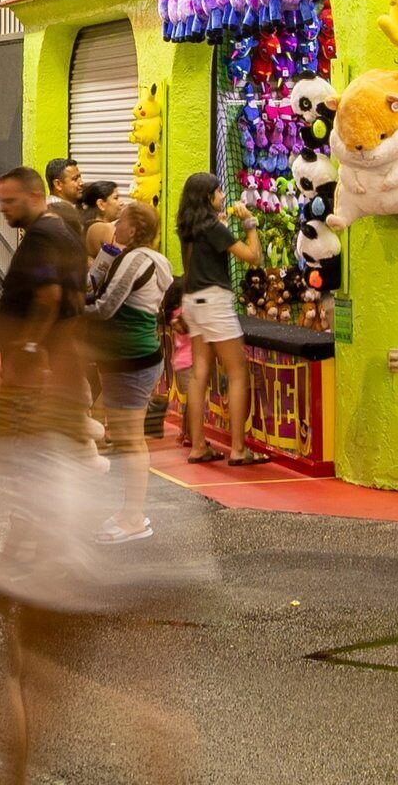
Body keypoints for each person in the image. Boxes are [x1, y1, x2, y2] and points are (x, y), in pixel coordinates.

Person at [83, 199, 174, 542]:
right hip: (129, 358)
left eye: (120, 221)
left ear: (134, 230)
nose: (115, 225)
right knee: (127, 439)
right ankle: (129, 512)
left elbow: (105, 307)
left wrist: (69, 307)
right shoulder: (145, 259)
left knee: (131, 441)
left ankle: (134, 517)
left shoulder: (137, 259)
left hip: (132, 360)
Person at [0, 164, 90, 440]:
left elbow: (49, 296)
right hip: (57, 367)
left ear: (35, 196)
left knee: (25, 448)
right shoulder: (64, 232)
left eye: (10, 201)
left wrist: (28, 347)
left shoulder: (42, 236)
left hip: (35, 375)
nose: (3, 208)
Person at [170, 173, 257, 465]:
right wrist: (249, 223)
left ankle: (198, 445)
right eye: (219, 191)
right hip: (215, 303)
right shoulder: (213, 228)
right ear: (209, 197)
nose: (223, 195)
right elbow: (252, 256)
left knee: (199, 374)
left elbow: (199, 257)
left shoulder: (189, 227)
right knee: (236, 371)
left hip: (193, 301)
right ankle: (238, 449)